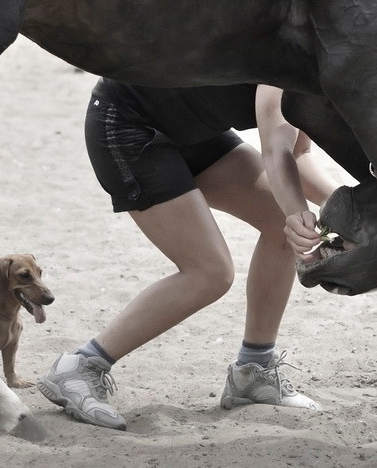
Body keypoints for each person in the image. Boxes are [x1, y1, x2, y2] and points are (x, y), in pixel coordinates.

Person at [36, 79, 340, 430]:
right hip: (127, 124)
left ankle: (252, 374)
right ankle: (80, 367)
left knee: (279, 224)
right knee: (210, 272)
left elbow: (299, 154)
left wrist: (347, 204)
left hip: (192, 128)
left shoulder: (323, 68)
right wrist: (297, 214)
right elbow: (276, 153)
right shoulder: (291, 62)